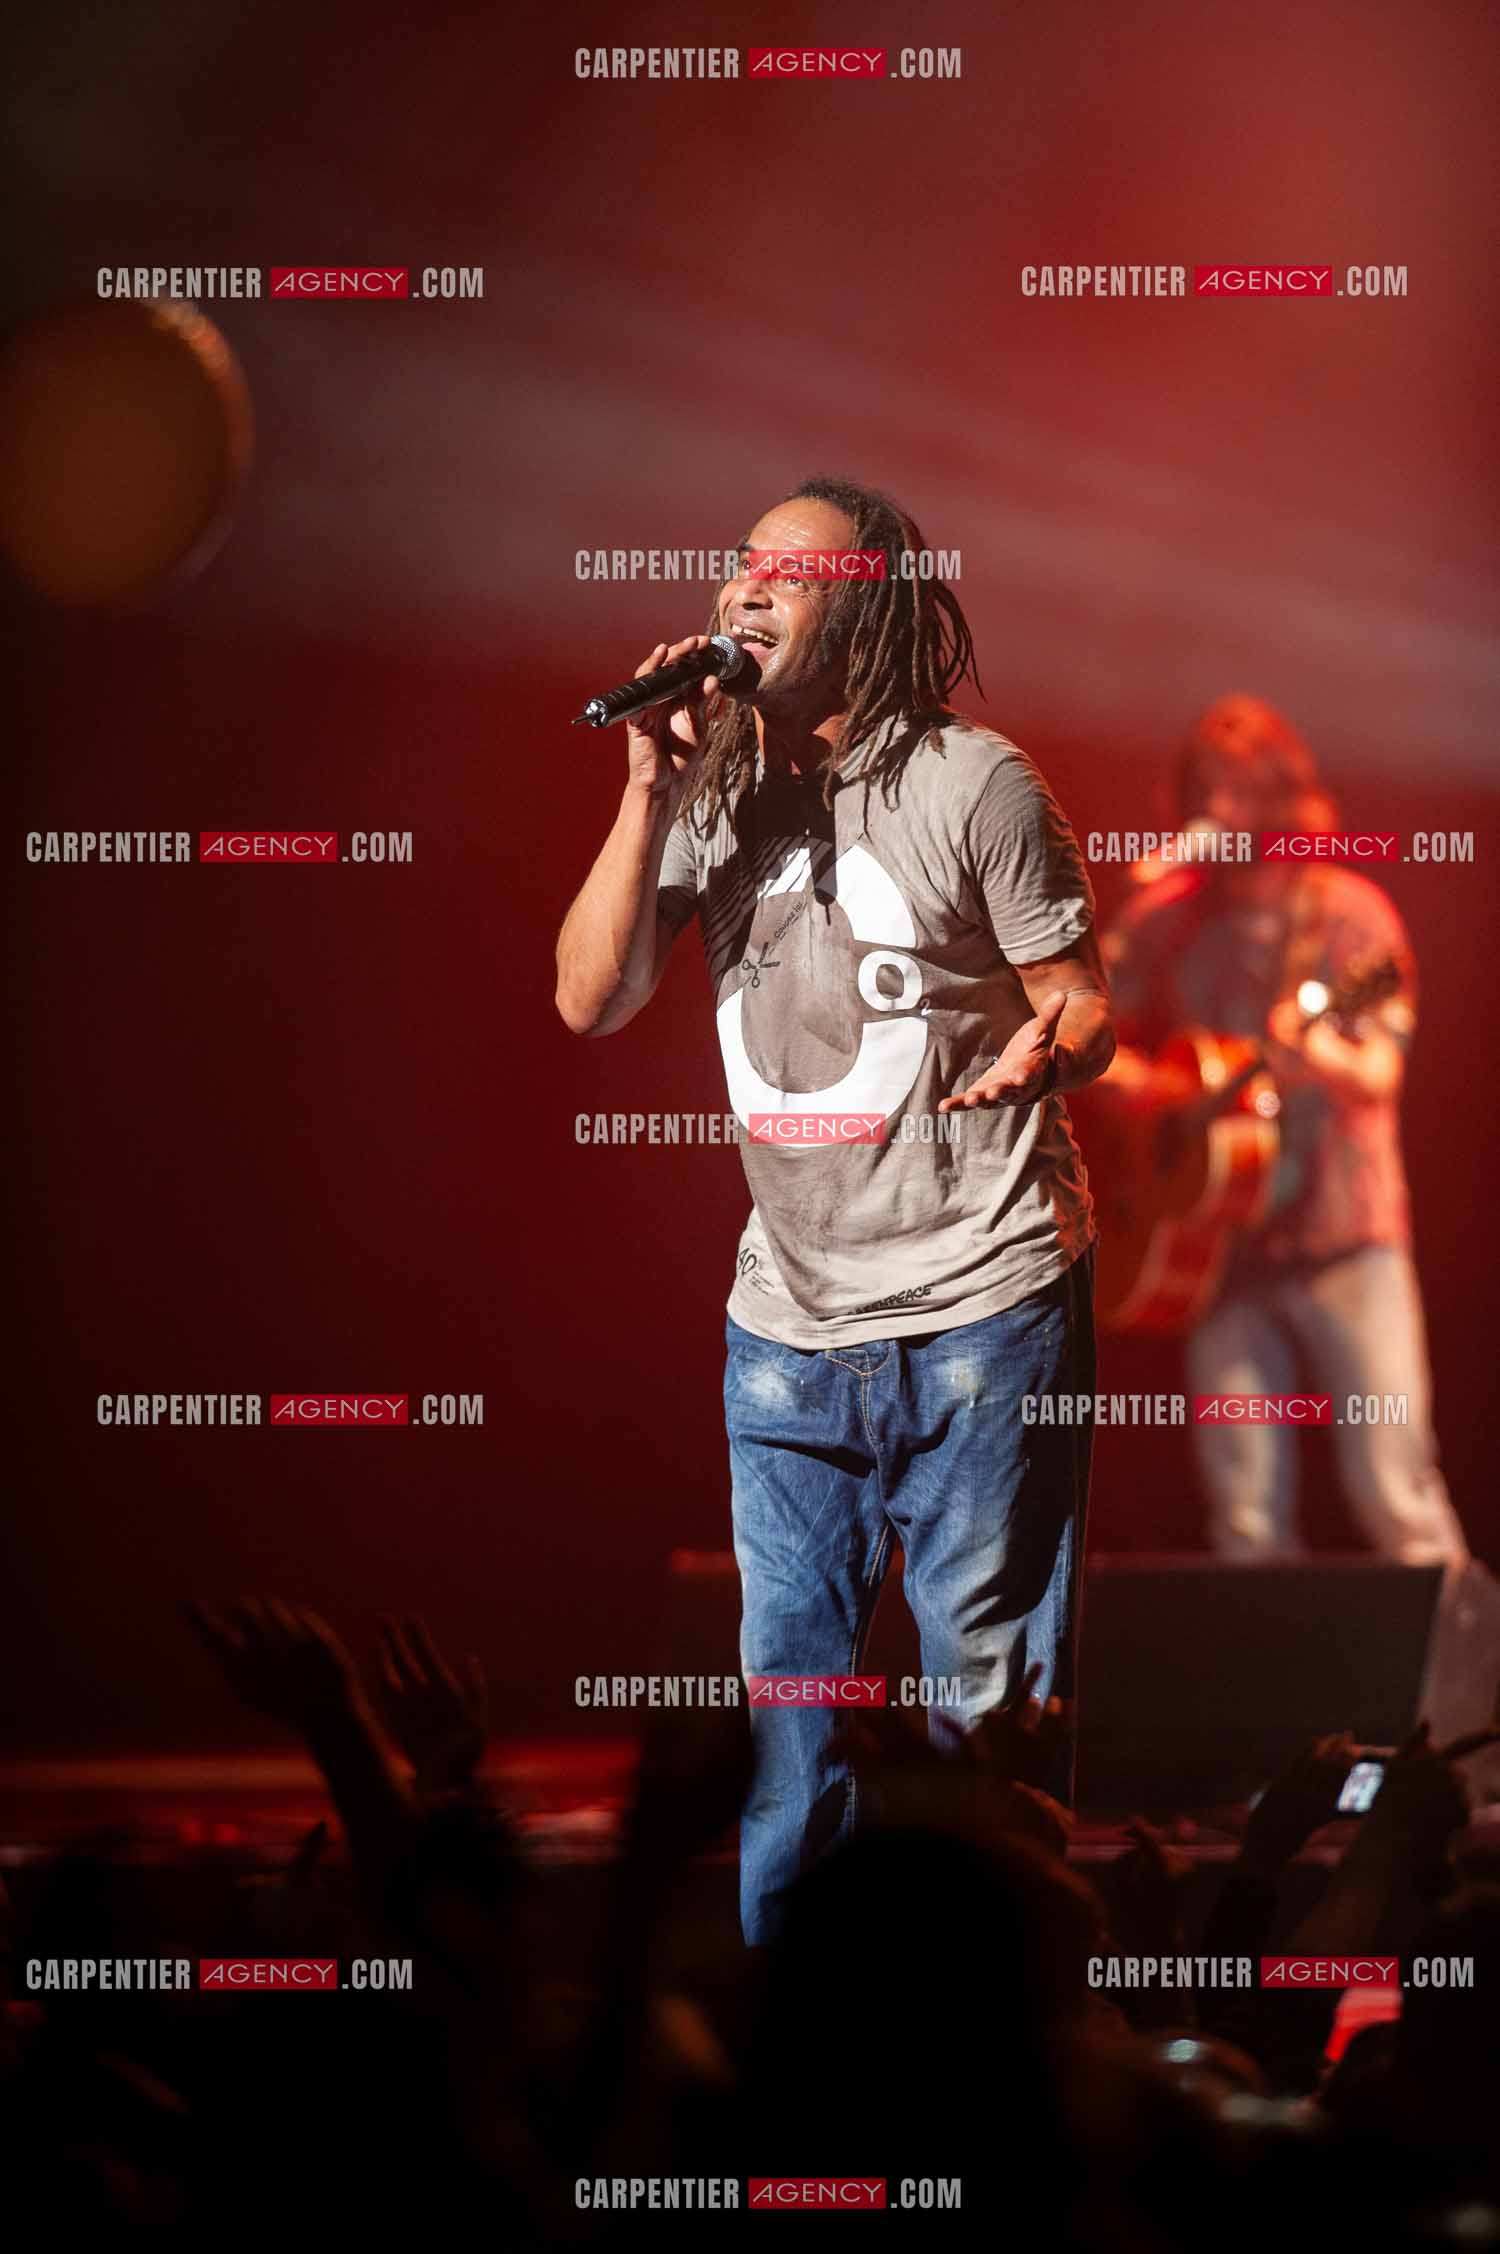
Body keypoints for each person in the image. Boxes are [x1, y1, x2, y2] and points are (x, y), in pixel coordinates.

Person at [555, 477, 1114, 1942]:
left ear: (863, 601)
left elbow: (1084, 1004)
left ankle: (998, 2060)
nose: (747, 590)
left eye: (789, 573)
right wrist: (645, 787)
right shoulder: (715, 781)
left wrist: (1046, 1044)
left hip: (983, 1301)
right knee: (788, 1728)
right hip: (787, 1329)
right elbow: (587, 998)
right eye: (740, 564)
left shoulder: (974, 783)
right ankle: (806, 2076)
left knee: (977, 1712)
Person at [1101, 694, 1468, 1567]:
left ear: (1280, 797)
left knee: (1396, 1494)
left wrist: (1322, 1057)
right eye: (1205, 792)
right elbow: (1089, 1045)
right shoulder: (1167, 921)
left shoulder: (1350, 915)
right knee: (1245, 1520)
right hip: (1218, 1252)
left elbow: (1381, 1072)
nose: (1218, 813)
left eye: (1236, 792)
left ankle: (1469, 1699)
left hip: (1346, 1241)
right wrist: (1158, 1094)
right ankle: (1282, 1706)